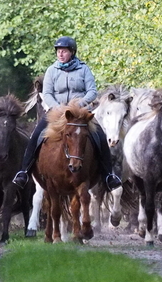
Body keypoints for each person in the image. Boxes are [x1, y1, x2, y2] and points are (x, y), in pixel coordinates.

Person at [12, 36, 122, 191]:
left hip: (81, 113)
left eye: (64, 51)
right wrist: (58, 108)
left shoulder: (84, 69)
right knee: (36, 136)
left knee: (100, 136)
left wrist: (80, 104)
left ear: (72, 52)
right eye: (58, 51)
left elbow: (92, 91)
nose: (60, 54)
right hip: (57, 112)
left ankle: (108, 176)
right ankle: (24, 172)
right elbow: (48, 93)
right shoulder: (52, 70)